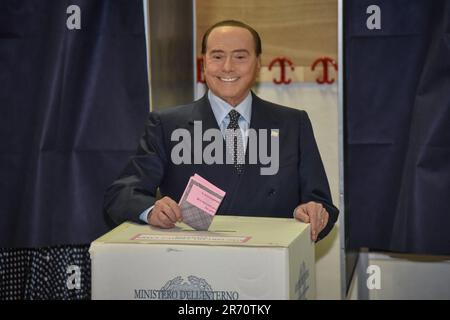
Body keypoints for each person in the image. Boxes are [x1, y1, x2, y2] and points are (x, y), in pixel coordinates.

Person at [104, 20, 338, 242]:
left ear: (257, 64)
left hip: (271, 263)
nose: (227, 67)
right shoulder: (167, 125)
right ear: (204, 62)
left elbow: (321, 205)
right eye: (217, 56)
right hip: (196, 266)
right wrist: (152, 210)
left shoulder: (293, 123)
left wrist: (313, 213)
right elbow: (121, 194)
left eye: (240, 56)